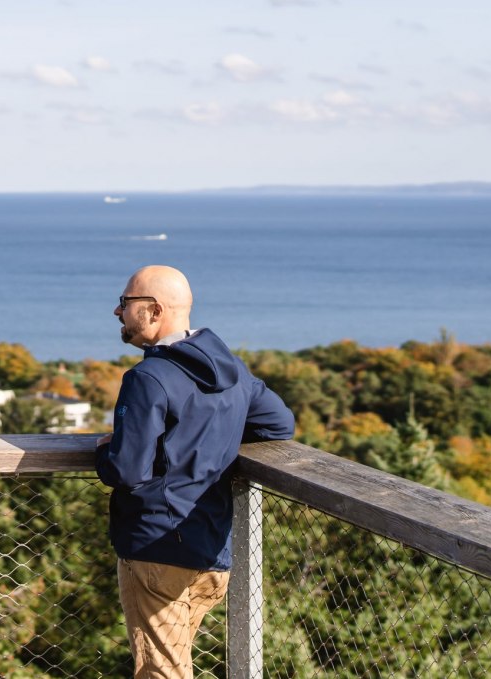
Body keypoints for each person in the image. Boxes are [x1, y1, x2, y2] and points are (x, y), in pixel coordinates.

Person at [98, 265, 295, 679]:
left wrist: (108, 450)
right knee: (176, 665)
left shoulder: (148, 378)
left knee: (161, 673)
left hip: (156, 551)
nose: (118, 312)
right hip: (211, 550)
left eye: (124, 303)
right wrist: (211, 438)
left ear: (153, 310)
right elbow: (278, 425)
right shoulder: (233, 370)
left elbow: (126, 470)